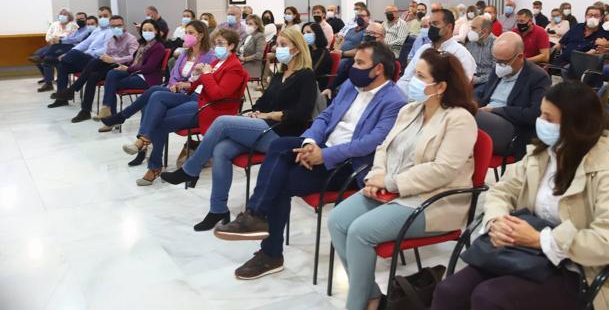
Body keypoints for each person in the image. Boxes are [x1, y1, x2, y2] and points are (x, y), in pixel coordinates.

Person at [432, 81, 609, 310]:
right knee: (449, 291)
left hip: (581, 267)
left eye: (549, 118)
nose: (540, 122)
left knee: (490, 298)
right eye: (541, 114)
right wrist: (497, 221)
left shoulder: (607, 172)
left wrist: (541, 240)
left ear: (575, 125)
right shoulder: (544, 153)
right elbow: (503, 190)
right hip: (526, 251)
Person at [213, 41, 408, 280]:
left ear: (378, 69)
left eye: (359, 63)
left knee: (281, 181)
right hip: (322, 147)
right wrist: (309, 143)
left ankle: (269, 250)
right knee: (278, 146)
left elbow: (371, 142)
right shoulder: (351, 85)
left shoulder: (395, 100)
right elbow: (325, 116)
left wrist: (324, 156)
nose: (352, 67)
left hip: (350, 165)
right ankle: (256, 215)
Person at [328, 49, 478, 310]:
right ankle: (371, 295)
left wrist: (390, 182)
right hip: (393, 190)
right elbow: (384, 147)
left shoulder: (459, 119)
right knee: (337, 221)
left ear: (441, 86)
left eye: (420, 76)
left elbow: (442, 170)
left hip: (432, 202)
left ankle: (357, 304)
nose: (412, 81)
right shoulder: (410, 110)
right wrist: (376, 178)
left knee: (360, 232)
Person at [160, 28, 318, 230]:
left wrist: (267, 115)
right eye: (277, 45)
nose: (278, 49)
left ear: (297, 48)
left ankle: (190, 170)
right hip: (264, 126)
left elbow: (301, 114)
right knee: (221, 150)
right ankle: (217, 209)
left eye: (283, 45)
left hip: (282, 133)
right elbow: (263, 101)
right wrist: (256, 111)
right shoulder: (280, 74)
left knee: (223, 122)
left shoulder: (305, 76)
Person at [126, 29, 248, 186]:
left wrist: (206, 75)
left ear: (231, 46)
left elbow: (218, 94)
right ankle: (151, 157)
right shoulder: (217, 62)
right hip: (199, 101)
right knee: (157, 104)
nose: (216, 47)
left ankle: (150, 156)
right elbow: (197, 85)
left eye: (220, 43)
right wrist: (196, 76)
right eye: (215, 43)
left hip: (212, 110)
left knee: (159, 120)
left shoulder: (235, 67)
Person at [100, 21, 215, 140]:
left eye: (190, 33)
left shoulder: (210, 56)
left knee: (154, 92)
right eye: (185, 32)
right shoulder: (185, 53)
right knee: (149, 97)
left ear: (201, 35)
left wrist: (184, 85)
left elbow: (204, 79)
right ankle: (141, 139)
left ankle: (124, 119)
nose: (186, 35)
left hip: (189, 92)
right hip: (174, 89)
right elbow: (174, 72)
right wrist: (173, 84)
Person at [476, 32, 551, 158]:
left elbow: (534, 114)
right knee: (459, 111)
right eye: (496, 60)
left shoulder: (538, 77)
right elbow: (483, 93)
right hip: (485, 119)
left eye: (503, 62)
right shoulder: (498, 69)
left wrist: (494, 110)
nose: (499, 65)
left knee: (465, 118)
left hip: (512, 130)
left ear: (520, 57)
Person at [51, 16, 139, 122]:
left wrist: (113, 59)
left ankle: (73, 89)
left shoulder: (131, 39)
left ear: (124, 25)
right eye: (113, 26)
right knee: (93, 75)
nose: (117, 28)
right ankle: (85, 111)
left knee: (94, 61)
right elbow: (107, 53)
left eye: (119, 25)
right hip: (108, 66)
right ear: (110, 27)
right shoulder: (111, 39)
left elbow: (132, 57)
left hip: (123, 68)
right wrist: (105, 57)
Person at [95, 19, 166, 125]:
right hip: (136, 72)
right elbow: (134, 62)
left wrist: (127, 69)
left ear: (156, 31)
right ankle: (108, 110)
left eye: (150, 30)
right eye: (144, 30)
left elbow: (149, 68)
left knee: (111, 84)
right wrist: (124, 66)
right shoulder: (142, 45)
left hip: (146, 78)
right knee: (112, 73)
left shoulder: (158, 47)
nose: (147, 32)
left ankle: (110, 116)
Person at [399, 9, 476, 94]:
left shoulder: (461, 54)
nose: (431, 27)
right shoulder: (423, 49)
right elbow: (406, 78)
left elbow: (460, 88)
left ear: (449, 27)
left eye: (435, 24)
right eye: (430, 24)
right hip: (413, 99)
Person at [49, 7, 114, 103]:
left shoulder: (111, 31)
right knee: (62, 66)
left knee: (74, 54)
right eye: (100, 16)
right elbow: (85, 43)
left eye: (105, 16)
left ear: (110, 16)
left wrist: (86, 53)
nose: (102, 18)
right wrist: (68, 54)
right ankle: (62, 97)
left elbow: (105, 49)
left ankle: (54, 60)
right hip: (86, 61)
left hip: (96, 60)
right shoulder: (97, 30)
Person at [35, 12, 95, 92]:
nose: (79, 21)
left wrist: (60, 40)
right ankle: (51, 84)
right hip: (65, 46)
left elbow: (77, 40)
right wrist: (56, 39)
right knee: (48, 56)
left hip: (73, 49)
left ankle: (43, 62)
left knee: (52, 58)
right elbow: (70, 37)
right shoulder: (77, 29)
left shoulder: (85, 29)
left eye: (81, 19)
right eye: (77, 19)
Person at [328, 22, 385, 95]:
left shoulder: (386, 56)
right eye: (367, 33)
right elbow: (344, 72)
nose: (369, 35)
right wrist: (330, 88)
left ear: (382, 37)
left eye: (373, 33)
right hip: (352, 88)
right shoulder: (361, 54)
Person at [465, 16, 496, 89]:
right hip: (470, 78)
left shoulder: (495, 44)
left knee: (474, 95)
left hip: (486, 81)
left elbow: (495, 72)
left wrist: (476, 80)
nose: (471, 31)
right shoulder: (470, 42)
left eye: (474, 28)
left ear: (484, 31)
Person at [302, 22, 332, 90]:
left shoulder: (324, 53)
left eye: (308, 32)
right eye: (303, 33)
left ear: (317, 33)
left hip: (316, 87)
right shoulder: (308, 50)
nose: (305, 35)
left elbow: (313, 72)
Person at [239, 14, 266, 80]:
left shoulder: (260, 36)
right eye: (247, 24)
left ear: (257, 25)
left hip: (251, 65)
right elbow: (238, 49)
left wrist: (244, 59)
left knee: (229, 72)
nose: (248, 26)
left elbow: (259, 55)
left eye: (250, 24)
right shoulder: (247, 36)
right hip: (241, 62)